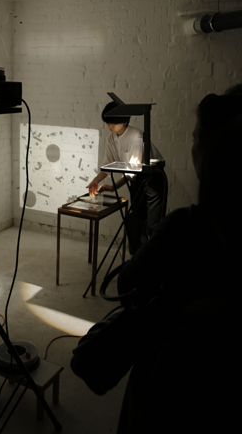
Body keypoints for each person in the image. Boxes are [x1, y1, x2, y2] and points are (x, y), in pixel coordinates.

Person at [116, 91, 242, 434]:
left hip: (171, 382)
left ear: (215, 152)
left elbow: (126, 284)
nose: (191, 146)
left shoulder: (187, 227)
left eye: (196, 138)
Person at [86, 101, 167, 253]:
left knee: (153, 223)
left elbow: (133, 171)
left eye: (113, 122)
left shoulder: (136, 137)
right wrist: (95, 181)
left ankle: (154, 259)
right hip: (136, 180)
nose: (109, 126)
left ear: (124, 121)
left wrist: (114, 186)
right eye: (107, 122)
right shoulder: (111, 139)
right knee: (136, 220)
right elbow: (108, 164)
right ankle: (138, 258)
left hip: (153, 179)